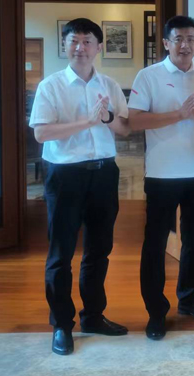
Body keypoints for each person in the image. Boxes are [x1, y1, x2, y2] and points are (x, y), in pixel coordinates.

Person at [29, 18, 131, 355]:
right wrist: (86, 122)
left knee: (99, 249)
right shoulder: (51, 85)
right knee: (61, 252)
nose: (80, 47)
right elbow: (42, 132)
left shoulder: (109, 85)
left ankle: (93, 316)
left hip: (104, 173)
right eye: (74, 40)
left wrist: (106, 118)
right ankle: (61, 324)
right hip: (65, 175)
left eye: (87, 41)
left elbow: (124, 128)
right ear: (65, 45)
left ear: (98, 47)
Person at [128, 15, 194, 340]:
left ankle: (189, 298)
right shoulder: (149, 76)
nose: (185, 45)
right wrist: (179, 114)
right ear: (166, 42)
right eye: (178, 39)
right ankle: (156, 311)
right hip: (162, 174)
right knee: (155, 243)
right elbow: (135, 121)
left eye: (191, 39)